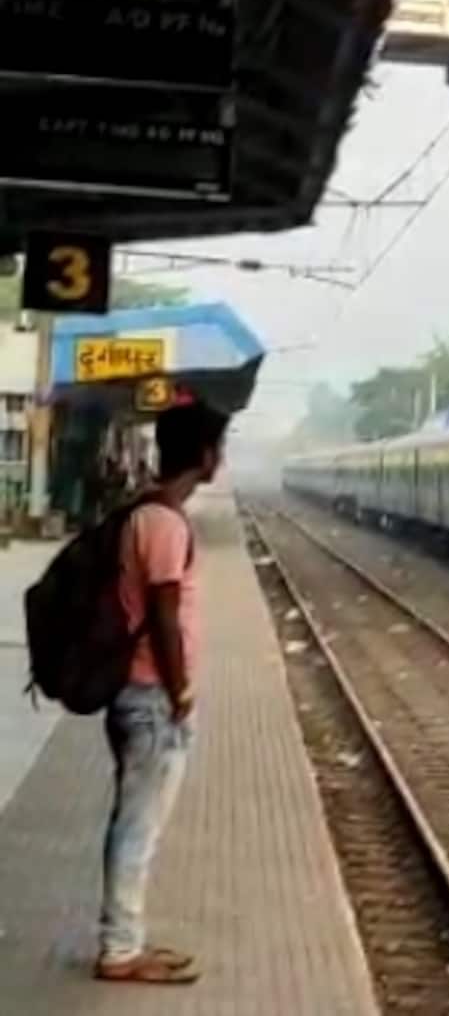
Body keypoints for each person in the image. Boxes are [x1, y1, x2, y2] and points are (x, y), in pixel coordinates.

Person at [96, 401, 229, 986]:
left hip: (138, 691)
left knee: (133, 822)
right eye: (218, 447)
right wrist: (181, 692)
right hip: (151, 697)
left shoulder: (145, 514)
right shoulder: (166, 523)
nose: (220, 458)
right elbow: (165, 613)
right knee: (138, 828)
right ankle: (121, 950)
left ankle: (127, 940)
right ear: (204, 455)